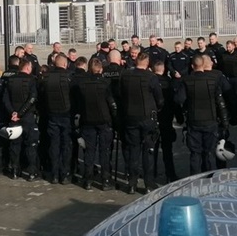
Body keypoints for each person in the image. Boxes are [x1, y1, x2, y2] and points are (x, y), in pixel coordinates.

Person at [118, 52, 163, 194]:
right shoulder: (151, 77)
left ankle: (132, 183)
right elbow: (160, 99)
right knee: (148, 151)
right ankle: (148, 184)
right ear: (148, 63)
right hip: (147, 118)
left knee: (133, 151)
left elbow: (120, 94)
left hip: (130, 117)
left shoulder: (125, 75)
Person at [71, 57, 117, 190]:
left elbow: (79, 104)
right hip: (103, 120)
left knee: (89, 152)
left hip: (88, 120)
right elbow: (111, 103)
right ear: (101, 69)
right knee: (104, 151)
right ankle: (105, 180)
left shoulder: (82, 84)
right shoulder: (105, 83)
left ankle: (88, 180)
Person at [181, 54, 229, 175]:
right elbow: (220, 102)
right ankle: (209, 178)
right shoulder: (213, 80)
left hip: (194, 121)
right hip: (210, 121)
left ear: (192, 66)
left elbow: (178, 99)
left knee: (195, 153)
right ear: (203, 65)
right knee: (208, 153)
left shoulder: (187, 80)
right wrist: (225, 122)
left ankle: (195, 179)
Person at [3, 59, 41, 181]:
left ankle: (15, 170)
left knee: (15, 145)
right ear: (27, 67)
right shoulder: (31, 80)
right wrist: (20, 113)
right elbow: (32, 98)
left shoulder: (10, 80)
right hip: (27, 117)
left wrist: (13, 113)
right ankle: (31, 172)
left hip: (14, 118)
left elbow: (5, 99)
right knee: (31, 145)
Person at [41, 53, 74, 184]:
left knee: (54, 145)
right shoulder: (69, 77)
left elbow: (42, 96)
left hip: (52, 115)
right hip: (66, 115)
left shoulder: (46, 77)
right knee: (66, 146)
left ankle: (54, 175)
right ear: (65, 64)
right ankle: (64, 174)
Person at [151, 59, 181, 183]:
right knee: (167, 149)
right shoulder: (169, 83)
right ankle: (170, 173)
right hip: (167, 119)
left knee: (152, 148)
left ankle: (151, 173)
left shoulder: (150, 82)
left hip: (154, 119)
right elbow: (175, 102)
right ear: (163, 70)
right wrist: (179, 117)